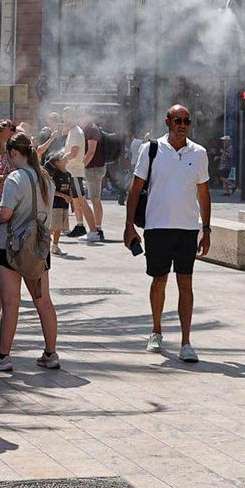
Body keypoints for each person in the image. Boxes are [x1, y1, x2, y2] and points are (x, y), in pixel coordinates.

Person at [122, 104, 211, 364]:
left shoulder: (199, 153)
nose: (182, 124)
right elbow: (135, 189)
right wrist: (129, 226)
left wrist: (206, 229)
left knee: (186, 283)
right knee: (159, 280)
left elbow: (204, 193)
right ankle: (156, 331)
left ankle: (186, 342)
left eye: (187, 120)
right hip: (157, 227)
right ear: (167, 122)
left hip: (187, 228)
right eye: (177, 120)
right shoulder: (150, 149)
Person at [0, 131, 60, 371]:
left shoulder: (15, 179)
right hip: (38, 249)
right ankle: (51, 353)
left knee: (10, 302)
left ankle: (3, 356)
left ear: (14, 152)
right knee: (43, 301)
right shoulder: (46, 178)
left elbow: (5, 214)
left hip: (11, 248)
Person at [61, 108, 98, 239]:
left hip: (75, 172)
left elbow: (74, 152)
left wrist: (61, 158)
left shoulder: (76, 132)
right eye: (64, 117)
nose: (64, 120)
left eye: (67, 117)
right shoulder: (72, 131)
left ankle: (93, 231)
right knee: (77, 201)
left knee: (81, 201)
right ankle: (81, 227)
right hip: (72, 171)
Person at [82, 114, 107, 241]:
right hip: (94, 168)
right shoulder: (91, 128)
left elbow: (91, 151)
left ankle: (98, 229)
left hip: (94, 168)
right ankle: (97, 228)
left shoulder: (91, 130)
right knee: (94, 198)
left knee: (95, 198)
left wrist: (82, 165)